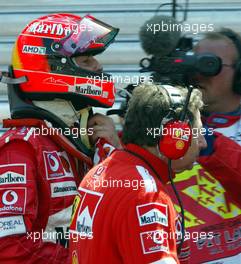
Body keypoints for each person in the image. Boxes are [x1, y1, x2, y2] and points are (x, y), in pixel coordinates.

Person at [0, 13, 120, 263]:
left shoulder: (88, 137)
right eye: (87, 60)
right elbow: (9, 247)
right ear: (54, 67)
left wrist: (116, 154)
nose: (99, 68)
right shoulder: (21, 147)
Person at [69, 83, 207, 264]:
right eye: (197, 134)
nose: (203, 143)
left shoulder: (99, 172)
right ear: (173, 136)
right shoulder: (147, 195)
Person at [166, 28, 241, 263]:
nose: (199, 73)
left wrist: (204, 138)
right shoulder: (164, 123)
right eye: (194, 63)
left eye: (210, 64)